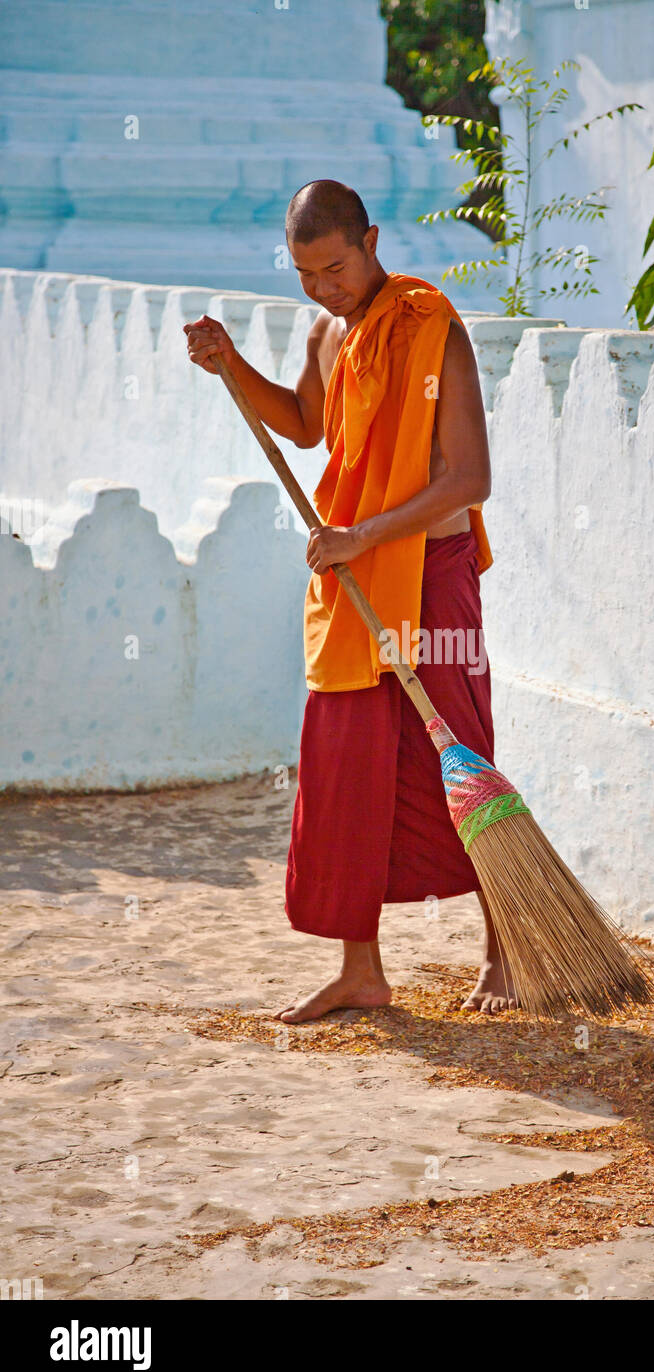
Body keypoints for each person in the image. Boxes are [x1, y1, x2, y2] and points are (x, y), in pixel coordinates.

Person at [184, 178, 516, 1021]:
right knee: (348, 768)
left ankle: (508, 945)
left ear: (371, 239)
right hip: (354, 582)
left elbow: (469, 478)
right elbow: (303, 422)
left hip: (430, 582)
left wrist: (364, 536)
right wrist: (231, 365)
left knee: (458, 756)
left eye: (335, 267)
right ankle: (362, 970)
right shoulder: (328, 332)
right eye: (306, 274)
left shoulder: (429, 324)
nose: (324, 288)